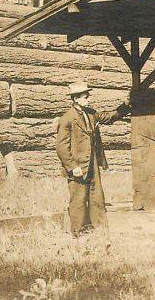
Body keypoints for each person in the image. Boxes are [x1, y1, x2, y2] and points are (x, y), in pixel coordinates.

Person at [55, 81, 131, 236]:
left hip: (92, 164)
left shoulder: (91, 113)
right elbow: (61, 147)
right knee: (78, 199)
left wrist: (126, 105)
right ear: (76, 99)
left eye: (88, 95)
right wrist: (72, 166)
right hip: (77, 166)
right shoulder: (67, 119)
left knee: (96, 196)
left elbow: (109, 117)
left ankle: (100, 230)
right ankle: (78, 232)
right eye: (85, 96)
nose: (88, 98)